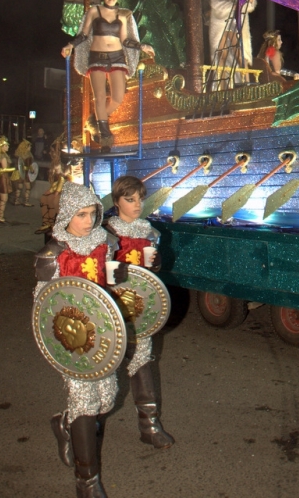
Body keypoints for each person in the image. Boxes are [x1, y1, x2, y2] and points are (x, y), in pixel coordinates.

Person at [34, 181, 127, 498]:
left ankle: (65, 424)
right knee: (86, 403)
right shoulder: (53, 253)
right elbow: (42, 305)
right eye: (80, 215)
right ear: (66, 216)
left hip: (103, 339)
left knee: (107, 398)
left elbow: (117, 282)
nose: (88, 221)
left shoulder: (107, 243)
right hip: (69, 340)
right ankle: (86, 481)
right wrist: (57, 343)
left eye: (92, 214)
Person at [105, 175, 174, 449]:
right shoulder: (105, 232)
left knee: (142, 361)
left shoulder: (148, 231)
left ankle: (150, 425)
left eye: (140, 199)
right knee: (103, 374)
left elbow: (150, 276)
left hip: (139, 309)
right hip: (111, 309)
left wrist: (156, 264)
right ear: (116, 201)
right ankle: (82, 425)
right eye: (129, 199)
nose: (136, 205)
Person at [61, 0, 155, 150]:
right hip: (97, 57)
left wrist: (143, 46)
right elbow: (83, 35)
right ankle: (105, 137)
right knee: (100, 96)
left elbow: (126, 40)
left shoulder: (123, 14)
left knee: (118, 98)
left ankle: (95, 120)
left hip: (117, 57)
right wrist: (70, 45)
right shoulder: (94, 11)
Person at [208, 0, 257, 87]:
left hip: (238, 24)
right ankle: (222, 87)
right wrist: (234, 4)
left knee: (241, 54)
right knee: (221, 54)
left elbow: (248, 8)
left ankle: (246, 83)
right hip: (221, 23)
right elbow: (216, 3)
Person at [0, 135, 14, 223]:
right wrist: (14, 169)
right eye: (6, 146)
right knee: (4, 198)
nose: (8, 147)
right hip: (3, 177)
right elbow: (5, 169)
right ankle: (0, 216)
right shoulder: (3, 156)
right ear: (2, 147)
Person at [11, 139, 35, 206]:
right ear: (26, 147)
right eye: (29, 147)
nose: (30, 148)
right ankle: (26, 202)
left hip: (19, 172)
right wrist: (32, 169)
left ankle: (16, 200)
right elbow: (29, 165)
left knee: (19, 187)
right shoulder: (28, 156)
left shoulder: (19, 154)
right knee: (28, 187)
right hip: (26, 173)